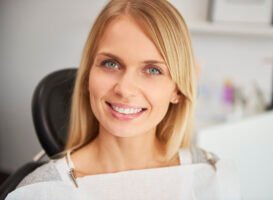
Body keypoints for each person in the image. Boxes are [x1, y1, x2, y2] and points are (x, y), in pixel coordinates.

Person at [6, 0, 240, 199]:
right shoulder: (41, 191)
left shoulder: (210, 176)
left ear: (177, 89)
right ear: (88, 75)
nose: (125, 89)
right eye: (111, 64)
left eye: (152, 70)